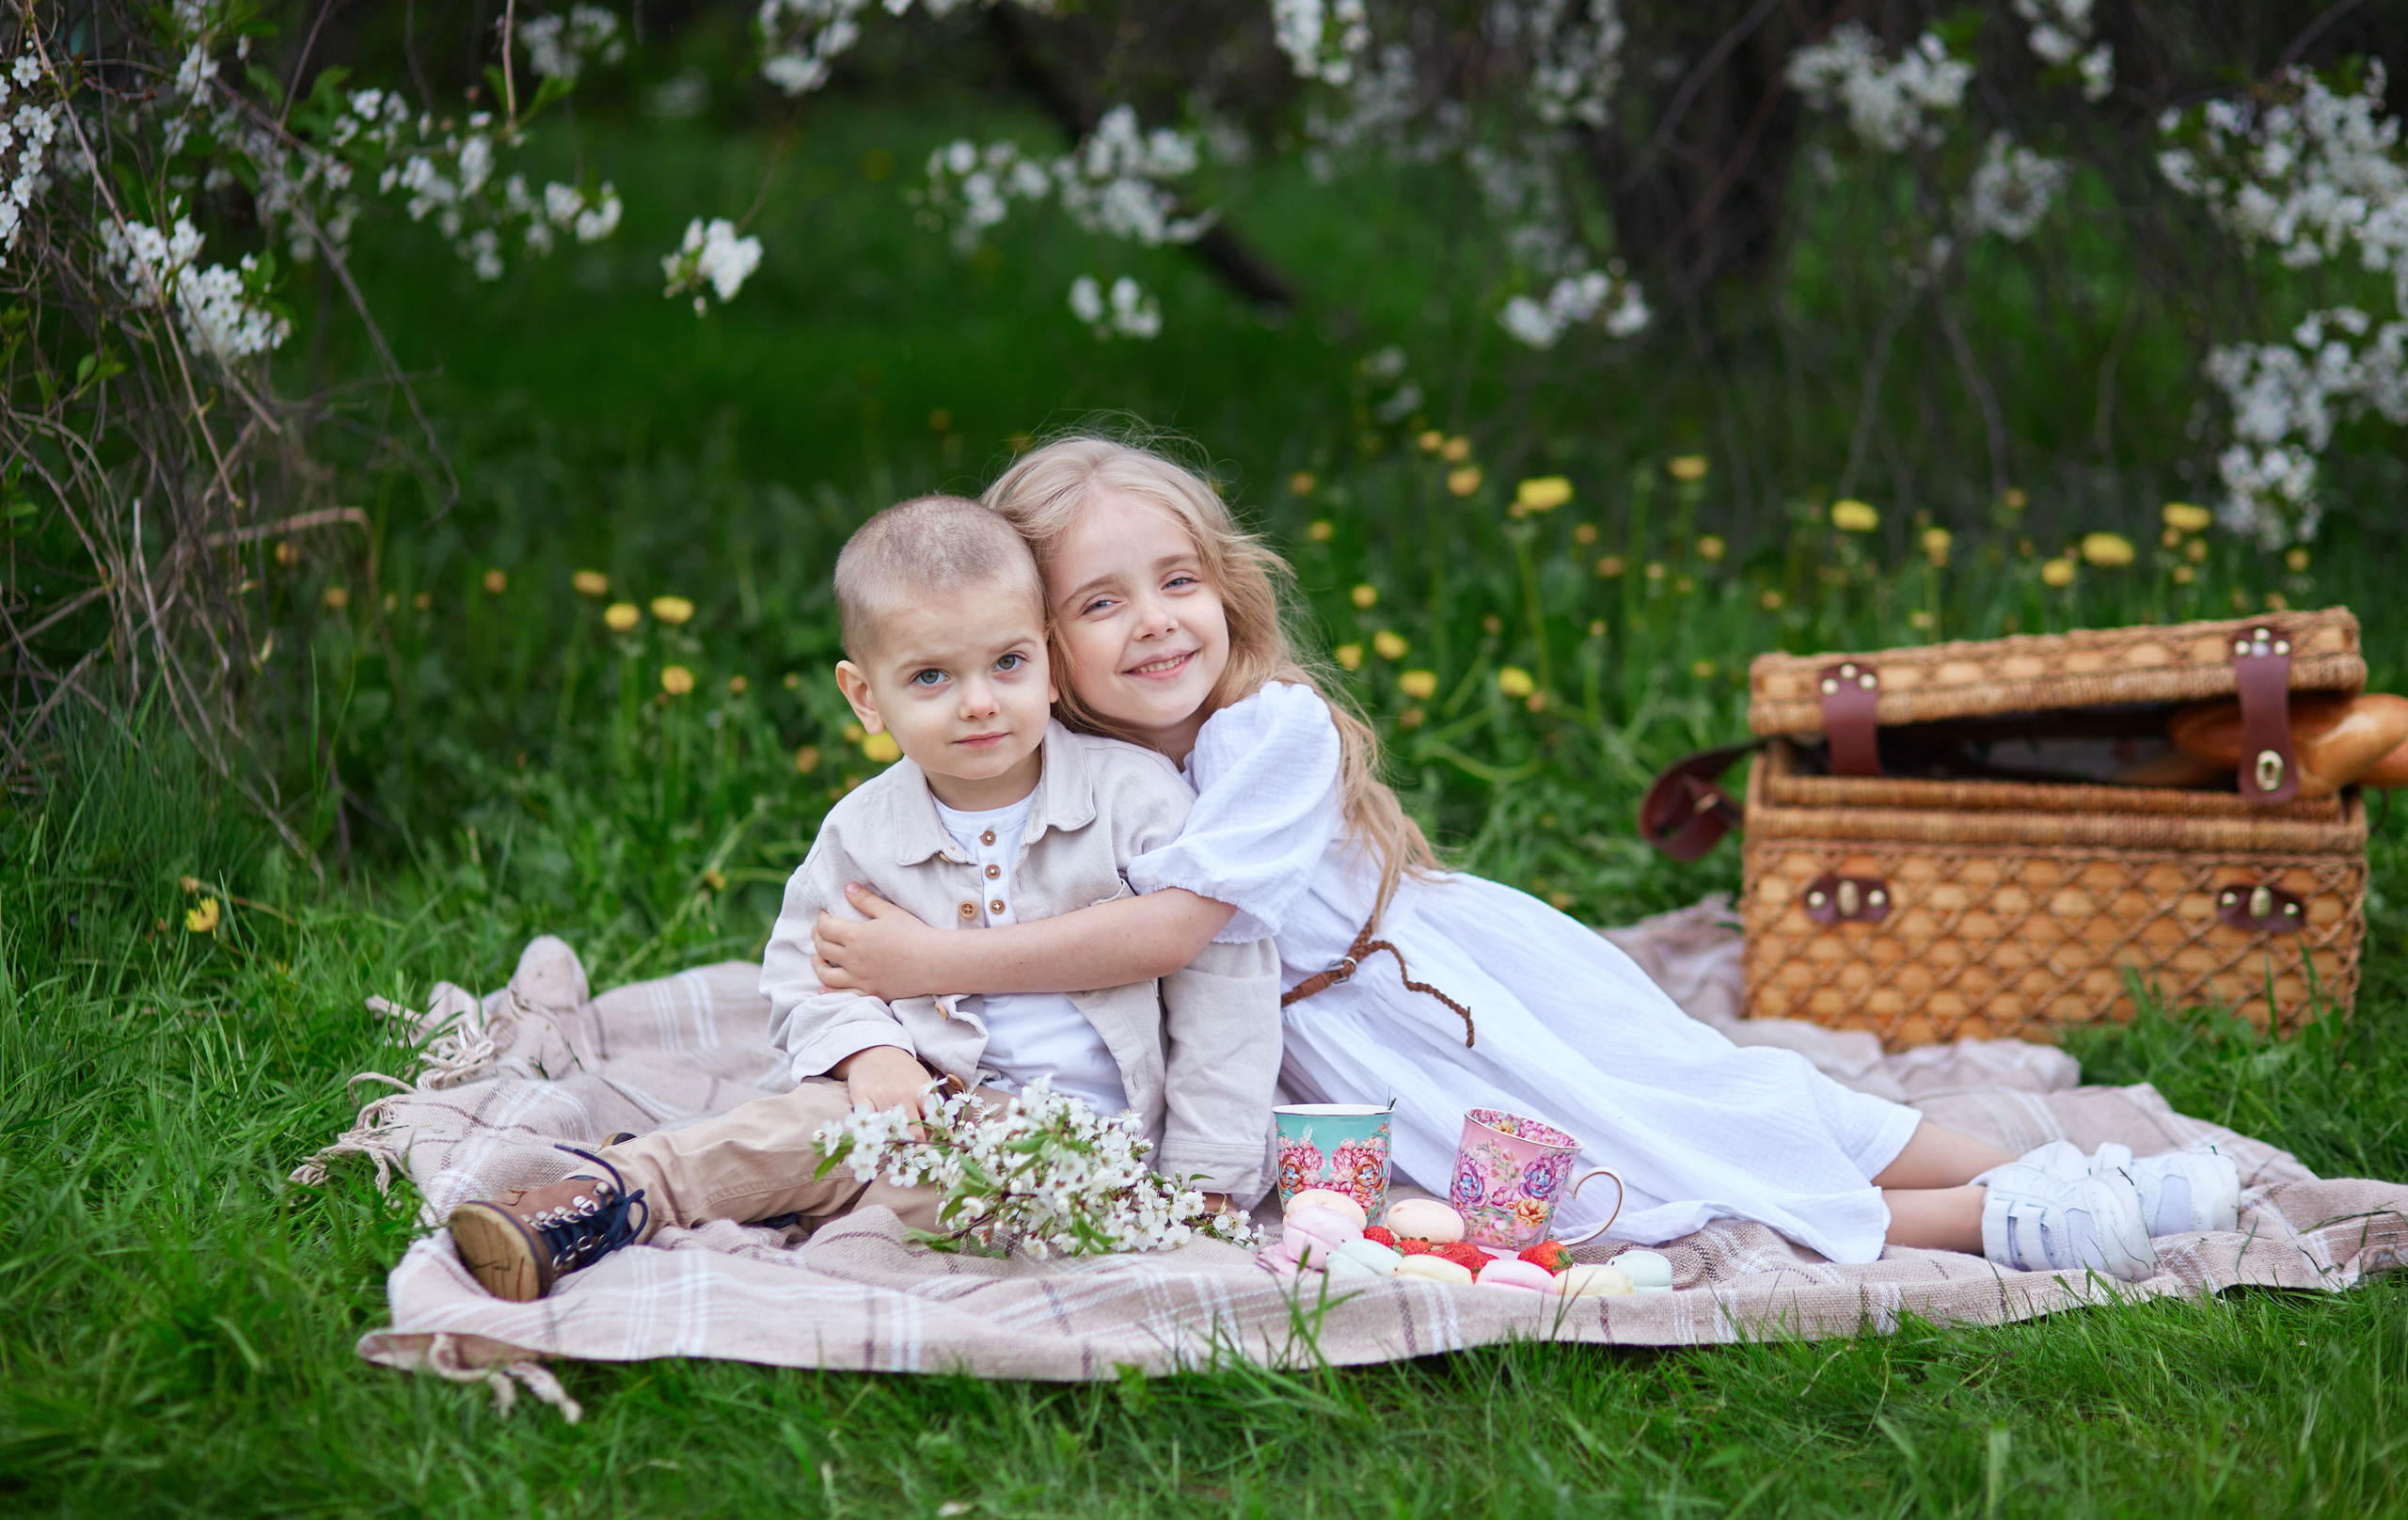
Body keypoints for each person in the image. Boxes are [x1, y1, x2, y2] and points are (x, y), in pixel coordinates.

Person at [809, 437, 2243, 1279]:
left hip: (1443, 1003)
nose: (1156, 623)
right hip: (1343, 1077)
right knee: (1599, 1197)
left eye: (1178, 580)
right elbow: (896, 909)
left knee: (1710, 1106)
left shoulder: (1269, 731)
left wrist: (936, 964)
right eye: (1099, 603)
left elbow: (1180, 929)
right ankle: (2016, 1215)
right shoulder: (1073, 779)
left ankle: (2044, 1182)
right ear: (1033, 640)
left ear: (1225, 585)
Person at [448, 494, 1283, 1301]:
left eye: (1008, 662)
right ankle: (612, 1196)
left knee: (831, 1161)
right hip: (926, 1121)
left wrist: (1207, 1182)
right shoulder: (864, 832)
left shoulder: (1134, 801)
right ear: (863, 696)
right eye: (930, 676)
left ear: (1051, 663)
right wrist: (871, 1055)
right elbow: (809, 973)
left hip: (1104, 1157)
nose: (980, 701)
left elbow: (1226, 997)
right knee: (819, 1129)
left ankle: (750, 1190)